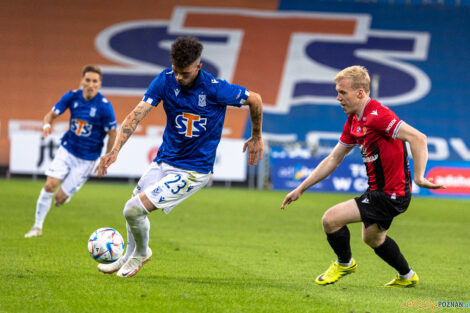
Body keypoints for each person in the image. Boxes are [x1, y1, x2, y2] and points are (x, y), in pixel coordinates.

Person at [96, 37, 263, 278]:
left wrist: (256, 135)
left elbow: (255, 99)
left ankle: (142, 253)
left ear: (198, 67)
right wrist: (114, 150)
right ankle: (129, 254)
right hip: (164, 160)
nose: (178, 78)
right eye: (175, 71)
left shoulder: (215, 88)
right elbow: (136, 114)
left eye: (184, 73)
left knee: (133, 209)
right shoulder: (165, 80)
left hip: (193, 171)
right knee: (133, 207)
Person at [281, 65, 445, 287]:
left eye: (343, 92)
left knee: (331, 219)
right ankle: (407, 276)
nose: (338, 97)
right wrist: (301, 188)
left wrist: (419, 177)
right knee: (373, 239)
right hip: (381, 192)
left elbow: (418, 138)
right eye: (337, 92)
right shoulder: (353, 121)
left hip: (390, 194)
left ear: (360, 93)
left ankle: (345, 263)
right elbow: (333, 159)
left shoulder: (378, 115)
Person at [24, 65, 117, 238]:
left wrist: (105, 158)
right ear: (82, 81)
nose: (90, 84)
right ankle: (37, 227)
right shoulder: (72, 97)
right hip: (67, 149)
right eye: (87, 80)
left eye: (94, 81)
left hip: (87, 160)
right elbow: (50, 115)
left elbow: (112, 133)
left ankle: (66, 195)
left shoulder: (104, 107)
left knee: (59, 199)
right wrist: (46, 125)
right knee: (49, 184)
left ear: (99, 84)